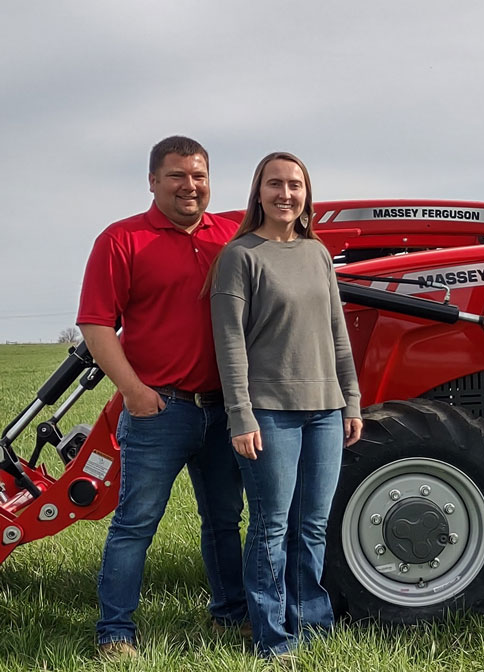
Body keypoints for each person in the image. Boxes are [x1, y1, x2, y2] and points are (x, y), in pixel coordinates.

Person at [77, 136, 248, 660]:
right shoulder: (122, 240)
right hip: (160, 409)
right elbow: (96, 323)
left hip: (224, 411)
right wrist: (134, 391)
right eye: (177, 175)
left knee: (224, 519)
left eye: (198, 175)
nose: (189, 186)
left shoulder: (233, 236)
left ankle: (232, 617)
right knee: (136, 523)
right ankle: (115, 632)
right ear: (153, 181)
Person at [210, 152, 363, 658]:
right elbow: (229, 344)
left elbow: (337, 333)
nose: (285, 194)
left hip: (325, 409)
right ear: (258, 192)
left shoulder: (317, 252)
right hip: (269, 411)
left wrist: (352, 402)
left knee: (312, 525)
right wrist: (241, 414)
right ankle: (272, 636)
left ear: (306, 194)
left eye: (294, 185)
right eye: (275, 184)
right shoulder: (240, 256)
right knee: (272, 526)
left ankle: (312, 626)